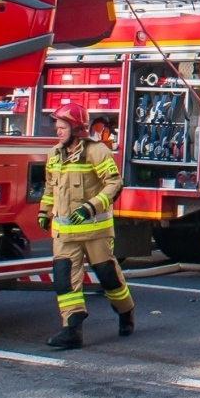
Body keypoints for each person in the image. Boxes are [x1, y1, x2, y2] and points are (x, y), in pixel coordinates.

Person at [40, 102, 135, 349]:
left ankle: (125, 312)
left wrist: (90, 207)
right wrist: (44, 211)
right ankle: (72, 329)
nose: (57, 131)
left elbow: (114, 184)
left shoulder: (97, 152)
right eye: (57, 127)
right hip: (64, 234)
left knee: (107, 276)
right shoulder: (54, 154)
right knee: (64, 281)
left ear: (76, 128)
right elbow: (50, 187)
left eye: (62, 127)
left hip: (95, 232)